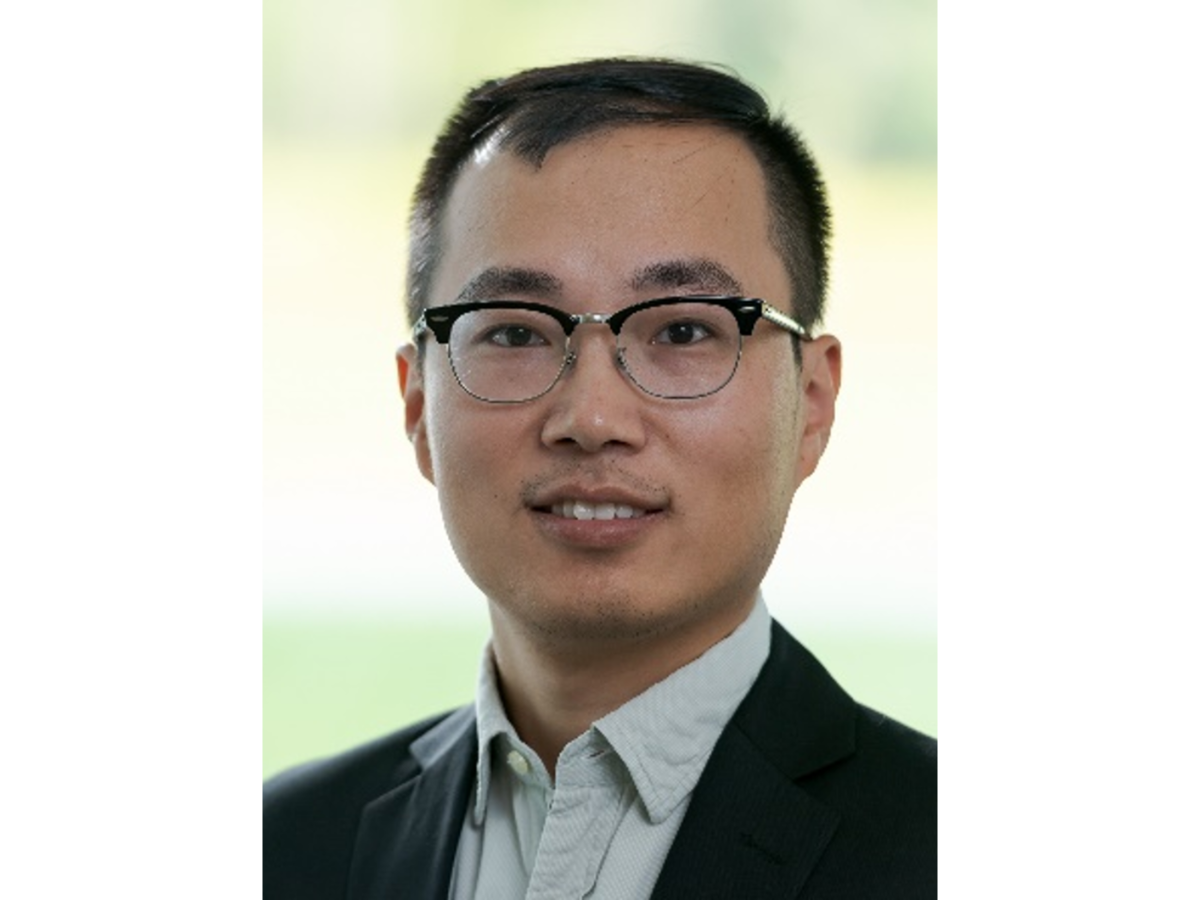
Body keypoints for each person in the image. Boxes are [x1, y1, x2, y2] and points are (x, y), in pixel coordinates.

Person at [264, 57, 936, 899]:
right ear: (415, 406)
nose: (591, 418)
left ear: (811, 401)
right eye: (513, 334)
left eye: (685, 331)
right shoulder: (278, 849)